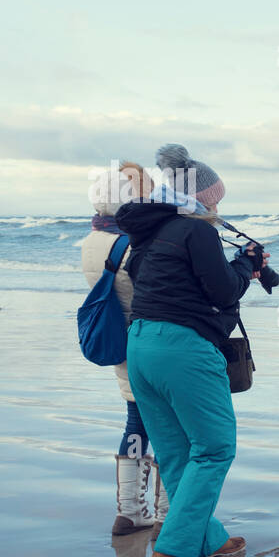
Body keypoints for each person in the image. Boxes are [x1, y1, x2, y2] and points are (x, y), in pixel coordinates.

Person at [115, 165, 268, 557]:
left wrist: (239, 266)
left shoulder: (149, 232)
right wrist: (245, 268)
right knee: (215, 448)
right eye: (215, 198)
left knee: (177, 452)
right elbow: (222, 291)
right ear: (201, 198)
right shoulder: (198, 231)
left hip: (141, 345)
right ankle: (178, 548)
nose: (219, 205)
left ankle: (206, 537)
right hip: (183, 349)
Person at [82, 161, 166, 536]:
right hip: (148, 340)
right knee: (168, 425)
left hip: (121, 342)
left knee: (137, 422)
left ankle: (130, 510)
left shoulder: (91, 239)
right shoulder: (129, 244)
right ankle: (166, 513)